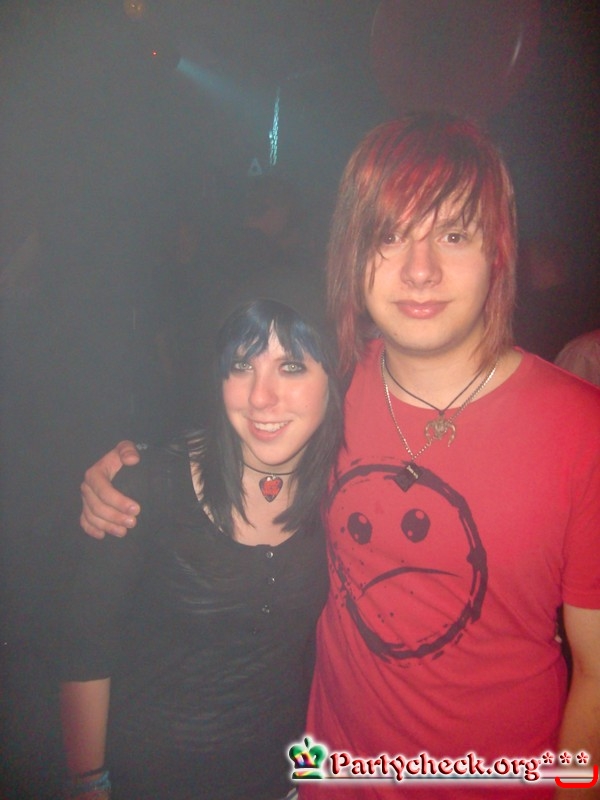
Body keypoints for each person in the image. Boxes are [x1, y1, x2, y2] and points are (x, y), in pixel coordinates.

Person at [78, 113, 600, 799]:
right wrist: (131, 470)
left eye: (452, 234)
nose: (419, 269)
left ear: (499, 251)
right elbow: (242, 433)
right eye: (389, 236)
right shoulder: (328, 384)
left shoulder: (580, 429)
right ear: (353, 255)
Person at [59, 298, 343, 800]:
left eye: (291, 367)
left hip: (282, 778)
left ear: (334, 380)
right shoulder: (145, 487)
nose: (260, 396)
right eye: (242, 366)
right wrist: (88, 782)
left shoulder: (346, 494)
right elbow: (86, 645)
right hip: (151, 781)